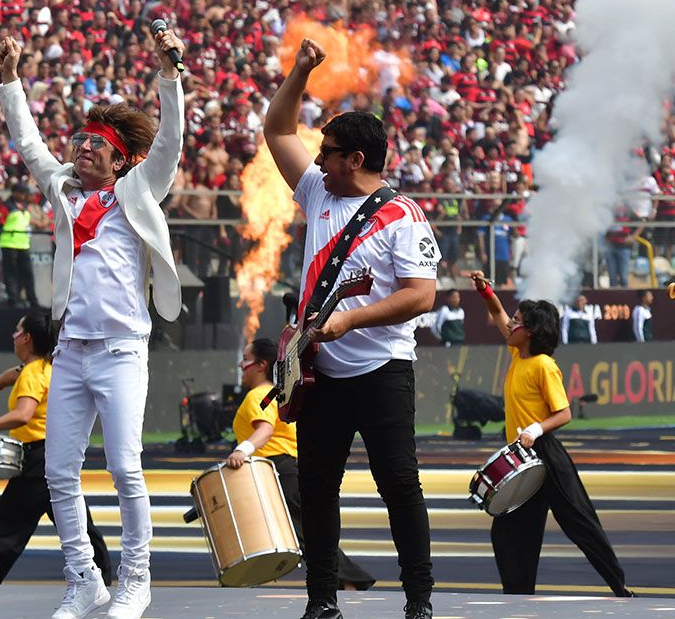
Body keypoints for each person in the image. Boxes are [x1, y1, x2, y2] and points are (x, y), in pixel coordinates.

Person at [0, 25, 186, 619]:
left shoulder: (138, 189)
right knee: (58, 473)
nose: (82, 148)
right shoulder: (62, 189)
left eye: (95, 145)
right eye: (78, 140)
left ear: (120, 159)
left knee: (125, 468)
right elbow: (28, 144)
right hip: (71, 352)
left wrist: (170, 76)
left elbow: (171, 144)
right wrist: (9, 81)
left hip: (124, 349)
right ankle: (84, 579)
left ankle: (136, 580)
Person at [263, 39, 437, 619]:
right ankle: (322, 602)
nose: (317, 161)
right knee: (317, 489)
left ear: (355, 160)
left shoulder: (404, 217)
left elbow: (422, 295)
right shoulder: (318, 191)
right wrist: (301, 71)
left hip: (383, 368)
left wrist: (351, 319)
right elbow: (276, 128)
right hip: (320, 372)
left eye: (329, 152)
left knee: (399, 487)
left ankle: (419, 600)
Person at [467, 271, 632, 598]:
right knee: (509, 531)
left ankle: (619, 586)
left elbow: (564, 412)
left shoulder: (543, 365)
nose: (510, 325)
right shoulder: (518, 354)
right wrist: (485, 291)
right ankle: (518, 593)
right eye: (513, 320)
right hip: (523, 459)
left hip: (546, 455)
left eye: (518, 322)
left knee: (579, 523)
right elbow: (498, 314)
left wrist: (535, 428)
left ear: (530, 332)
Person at [0, 310, 111, 585]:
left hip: (36, 462)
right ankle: (105, 582)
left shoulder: (31, 374)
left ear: (26, 338)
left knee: (2, 532)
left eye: (17, 332)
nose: (13, 338)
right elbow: (11, 376)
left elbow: (23, 414)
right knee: (79, 527)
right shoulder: (49, 367)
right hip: (55, 455)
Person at [225, 338, 375, 590]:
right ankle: (344, 582)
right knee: (305, 535)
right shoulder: (275, 394)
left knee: (309, 535)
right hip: (287, 469)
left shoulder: (257, 397)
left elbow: (264, 430)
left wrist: (242, 450)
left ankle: (350, 581)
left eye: (246, 360)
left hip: (276, 472)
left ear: (261, 365)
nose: (241, 365)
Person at [0, 182, 40, 308]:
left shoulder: (24, 206)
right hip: (9, 244)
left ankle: (32, 300)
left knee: (27, 273)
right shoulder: (6, 206)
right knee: (11, 273)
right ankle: (13, 299)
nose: (23, 196)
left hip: (23, 244)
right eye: (21, 193)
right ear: (14, 193)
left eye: (25, 193)